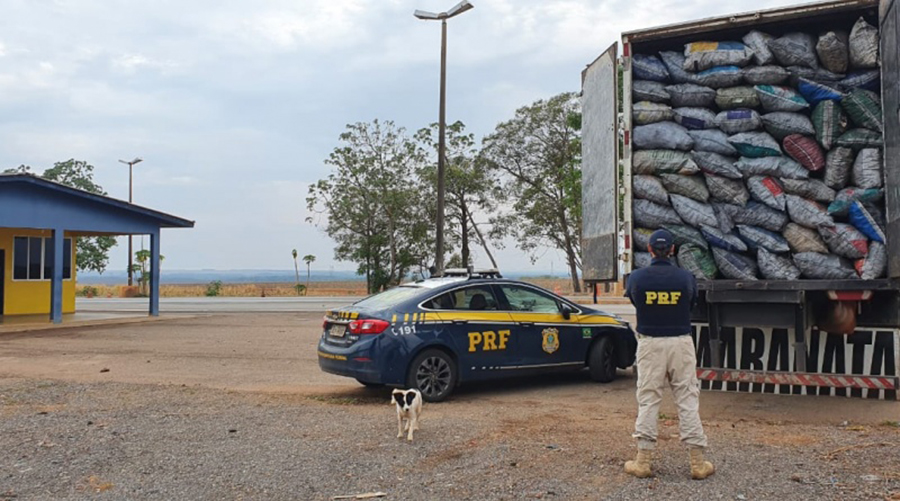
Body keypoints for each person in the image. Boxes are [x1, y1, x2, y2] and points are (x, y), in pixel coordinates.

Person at [623, 229, 714, 480]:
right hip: (680, 343)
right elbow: (692, 302)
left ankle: (643, 461)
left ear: (650, 250)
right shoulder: (685, 277)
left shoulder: (637, 277)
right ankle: (697, 463)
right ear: (672, 250)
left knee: (649, 399)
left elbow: (635, 301)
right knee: (687, 398)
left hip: (650, 344)